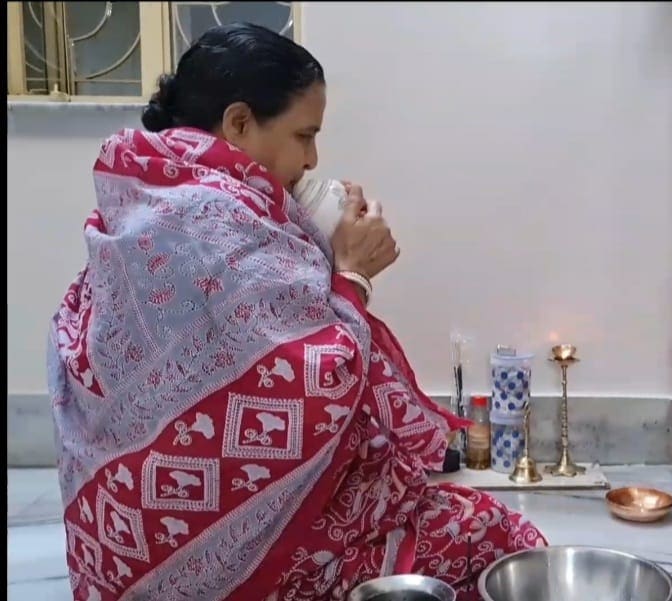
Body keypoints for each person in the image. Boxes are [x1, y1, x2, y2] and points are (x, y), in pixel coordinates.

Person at [47, 23, 545, 601]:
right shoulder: (216, 216)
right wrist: (352, 273)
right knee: (491, 532)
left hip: (119, 551)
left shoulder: (144, 193)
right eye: (303, 135)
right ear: (238, 123)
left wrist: (315, 247)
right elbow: (316, 387)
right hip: (227, 561)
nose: (312, 159)